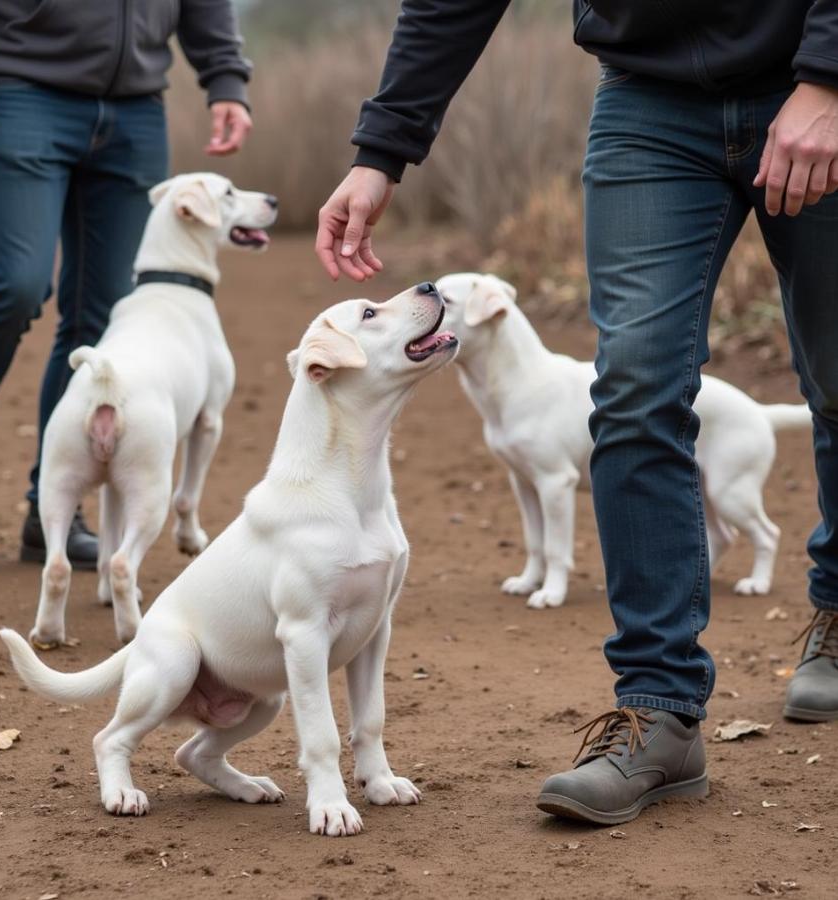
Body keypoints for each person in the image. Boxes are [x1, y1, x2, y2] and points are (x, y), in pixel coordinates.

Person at [316, 1, 838, 825]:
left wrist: (829, 72)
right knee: (633, 388)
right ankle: (659, 710)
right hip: (649, 99)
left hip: (813, 80)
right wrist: (382, 151)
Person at [0, 1, 253, 569]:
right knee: (15, 282)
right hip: (17, 85)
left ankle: (51, 508)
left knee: (104, 315)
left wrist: (225, 74)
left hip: (135, 105)